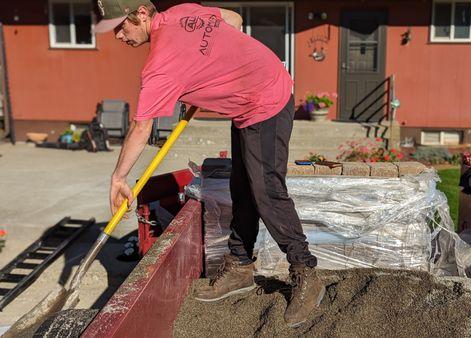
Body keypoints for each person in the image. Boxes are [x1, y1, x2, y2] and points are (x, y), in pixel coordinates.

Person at [95, 0, 324, 327]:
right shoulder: (182, 12)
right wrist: (213, 61)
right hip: (246, 101)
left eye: (120, 27)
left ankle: (306, 271)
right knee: (242, 186)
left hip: (267, 98)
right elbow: (234, 19)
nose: (118, 36)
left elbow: (142, 127)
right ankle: (241, 265)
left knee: (266, 190)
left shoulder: (160, 65)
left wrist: (119, 176)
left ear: (142, 14)